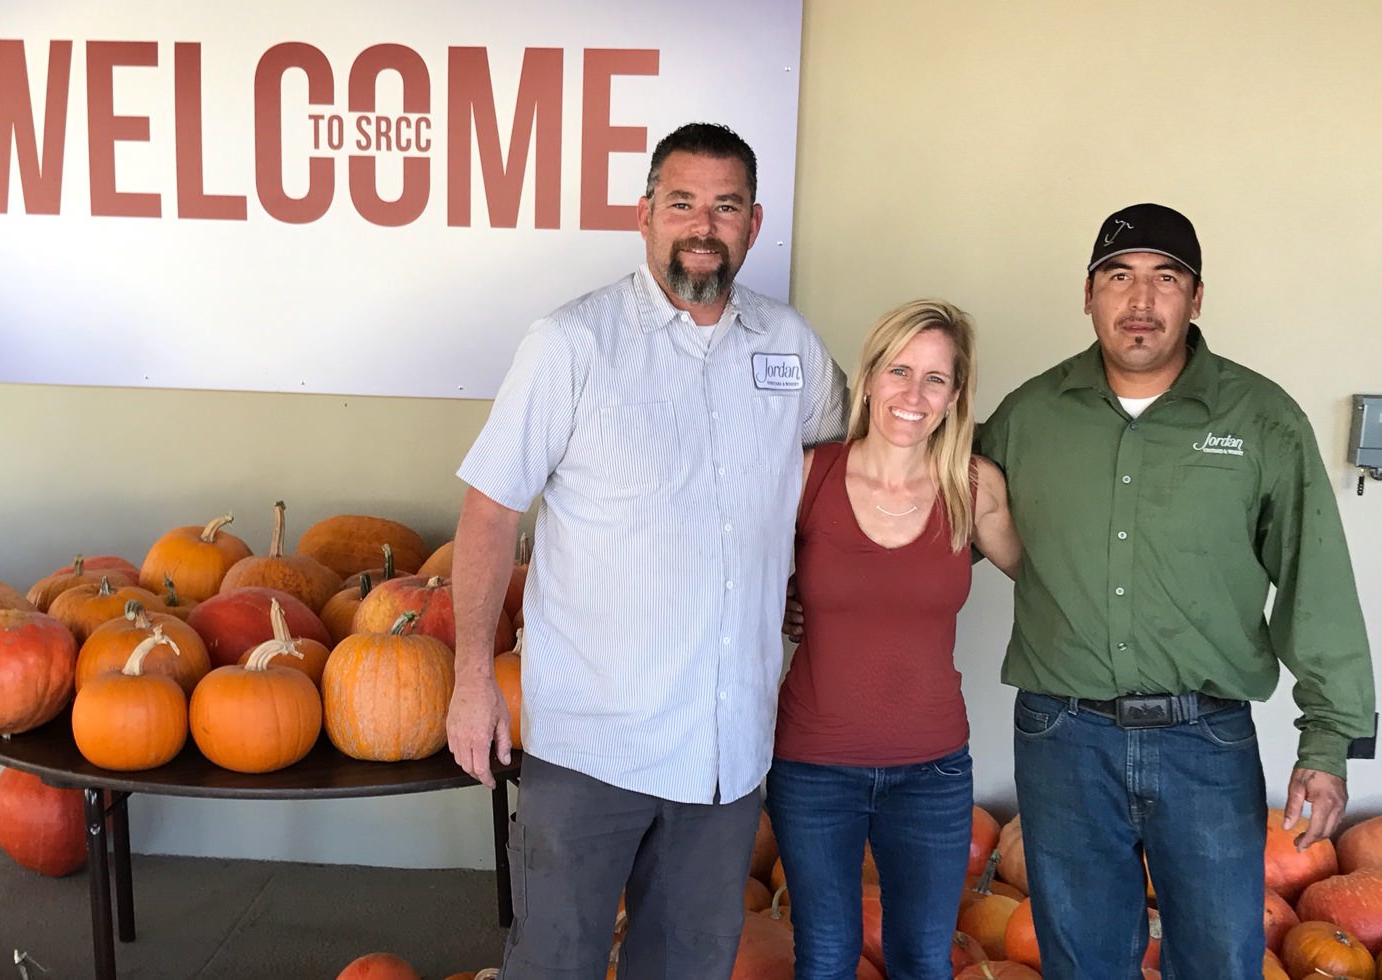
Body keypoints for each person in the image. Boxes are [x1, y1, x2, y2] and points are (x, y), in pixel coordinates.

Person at [446, 122, 848, 979]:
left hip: (725, 752)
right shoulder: (573, 344)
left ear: (754, 221)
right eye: (683, 202)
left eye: (726, 206)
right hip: (595, 746)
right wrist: (472, 678)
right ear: (645, 215)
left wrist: (803, 576)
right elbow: (488, 512)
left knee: (687, 968)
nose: (704, 224)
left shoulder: (790, 347)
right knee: (556, 964)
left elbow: (841, 468)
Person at [975, 203, 1376, 976]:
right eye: (1119, 278)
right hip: (1064, 740)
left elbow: (1314, 581)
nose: (1141, 301)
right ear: (1088, 295)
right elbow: (939, 527)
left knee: (1221, 959)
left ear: (1196, 299)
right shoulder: (1030, 416)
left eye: (1167, 279)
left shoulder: (1260, 420)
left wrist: (1329, 742)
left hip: (1205, 740)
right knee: (1081, 959)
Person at [769, 300, 1019, 978]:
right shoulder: (807, 476)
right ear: (871, 377)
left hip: (932, 772)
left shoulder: (974, 487)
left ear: (955, 396)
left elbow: (1055, 586)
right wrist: (784, 605)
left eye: (935, 379)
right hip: (815, 766)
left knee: (922, 960)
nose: (914, 394)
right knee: (824, 956)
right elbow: (736, 581)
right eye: (899, 370)